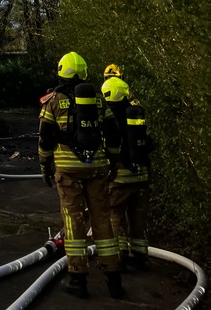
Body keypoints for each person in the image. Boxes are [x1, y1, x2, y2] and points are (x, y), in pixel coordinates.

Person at [39, 51, 124, 299]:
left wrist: (45, 164)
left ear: (61, 71)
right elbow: (113, 132)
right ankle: (114, 278)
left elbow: (45, 137)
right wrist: (114, 160)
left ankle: (78, 278)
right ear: (84, 71)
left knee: (73, 221)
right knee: (102, 219)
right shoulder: (98, 100)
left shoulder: (53, 101)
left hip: (67, 169)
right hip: (97, 166)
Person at [101, 76, 152, 272]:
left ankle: (119, 255)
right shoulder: (136, 116)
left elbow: (109, 146)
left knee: (116, 216)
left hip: (119, 178)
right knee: (138, 219)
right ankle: (140, 256)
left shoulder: (109, 119)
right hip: (141, 176)